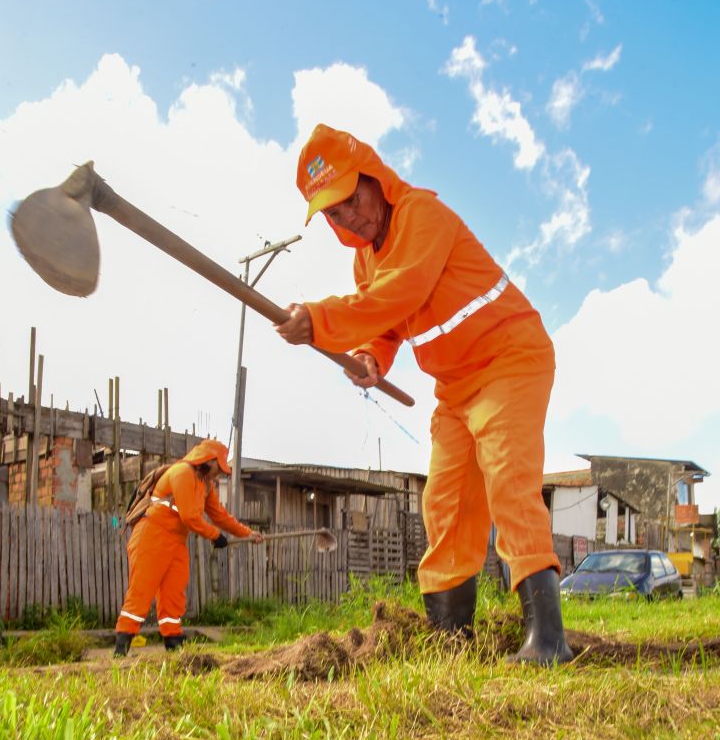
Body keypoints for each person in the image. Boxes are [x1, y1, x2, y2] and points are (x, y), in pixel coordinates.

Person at [275, 123, 573, 665]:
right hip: (456, 387)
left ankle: (548, 640)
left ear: (373, 176)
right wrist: (369, 356)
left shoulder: (422, 215)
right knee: (446, 504)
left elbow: (401, 292)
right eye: (334, 214)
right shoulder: (366, 260)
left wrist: (319, 319)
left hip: (510, 358)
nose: (350, 216)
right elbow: (387, 322)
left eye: (351, 198)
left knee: (508, 480)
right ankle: (451, 641)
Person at [114, 439, 262, 656]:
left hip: (176, 541)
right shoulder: (182, 472)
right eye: (219, 468)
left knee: (174, 592)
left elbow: (220, 515)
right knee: (141, 591)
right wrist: (215, 536)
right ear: (208, 461)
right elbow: (189, 516)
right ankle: (121, 646)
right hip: (151, 535)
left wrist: (247, 533)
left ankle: (173, 642)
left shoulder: (206, 485)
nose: (219, 474)